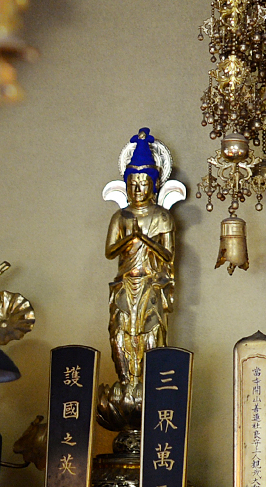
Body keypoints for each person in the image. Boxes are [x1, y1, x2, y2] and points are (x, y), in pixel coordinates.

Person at [107, 128, 177, 389]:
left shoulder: (162, 216)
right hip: (124, 283)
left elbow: (168, 254)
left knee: (151, 334)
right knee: (119, 333)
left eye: (143, 183)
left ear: (154, 185)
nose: (137, 189)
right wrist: (130, 238)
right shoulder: (120, 217)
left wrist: (144, 239)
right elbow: (110, 252)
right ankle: (126, 382)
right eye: (133, 184)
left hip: (151, 283)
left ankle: (149, 386)